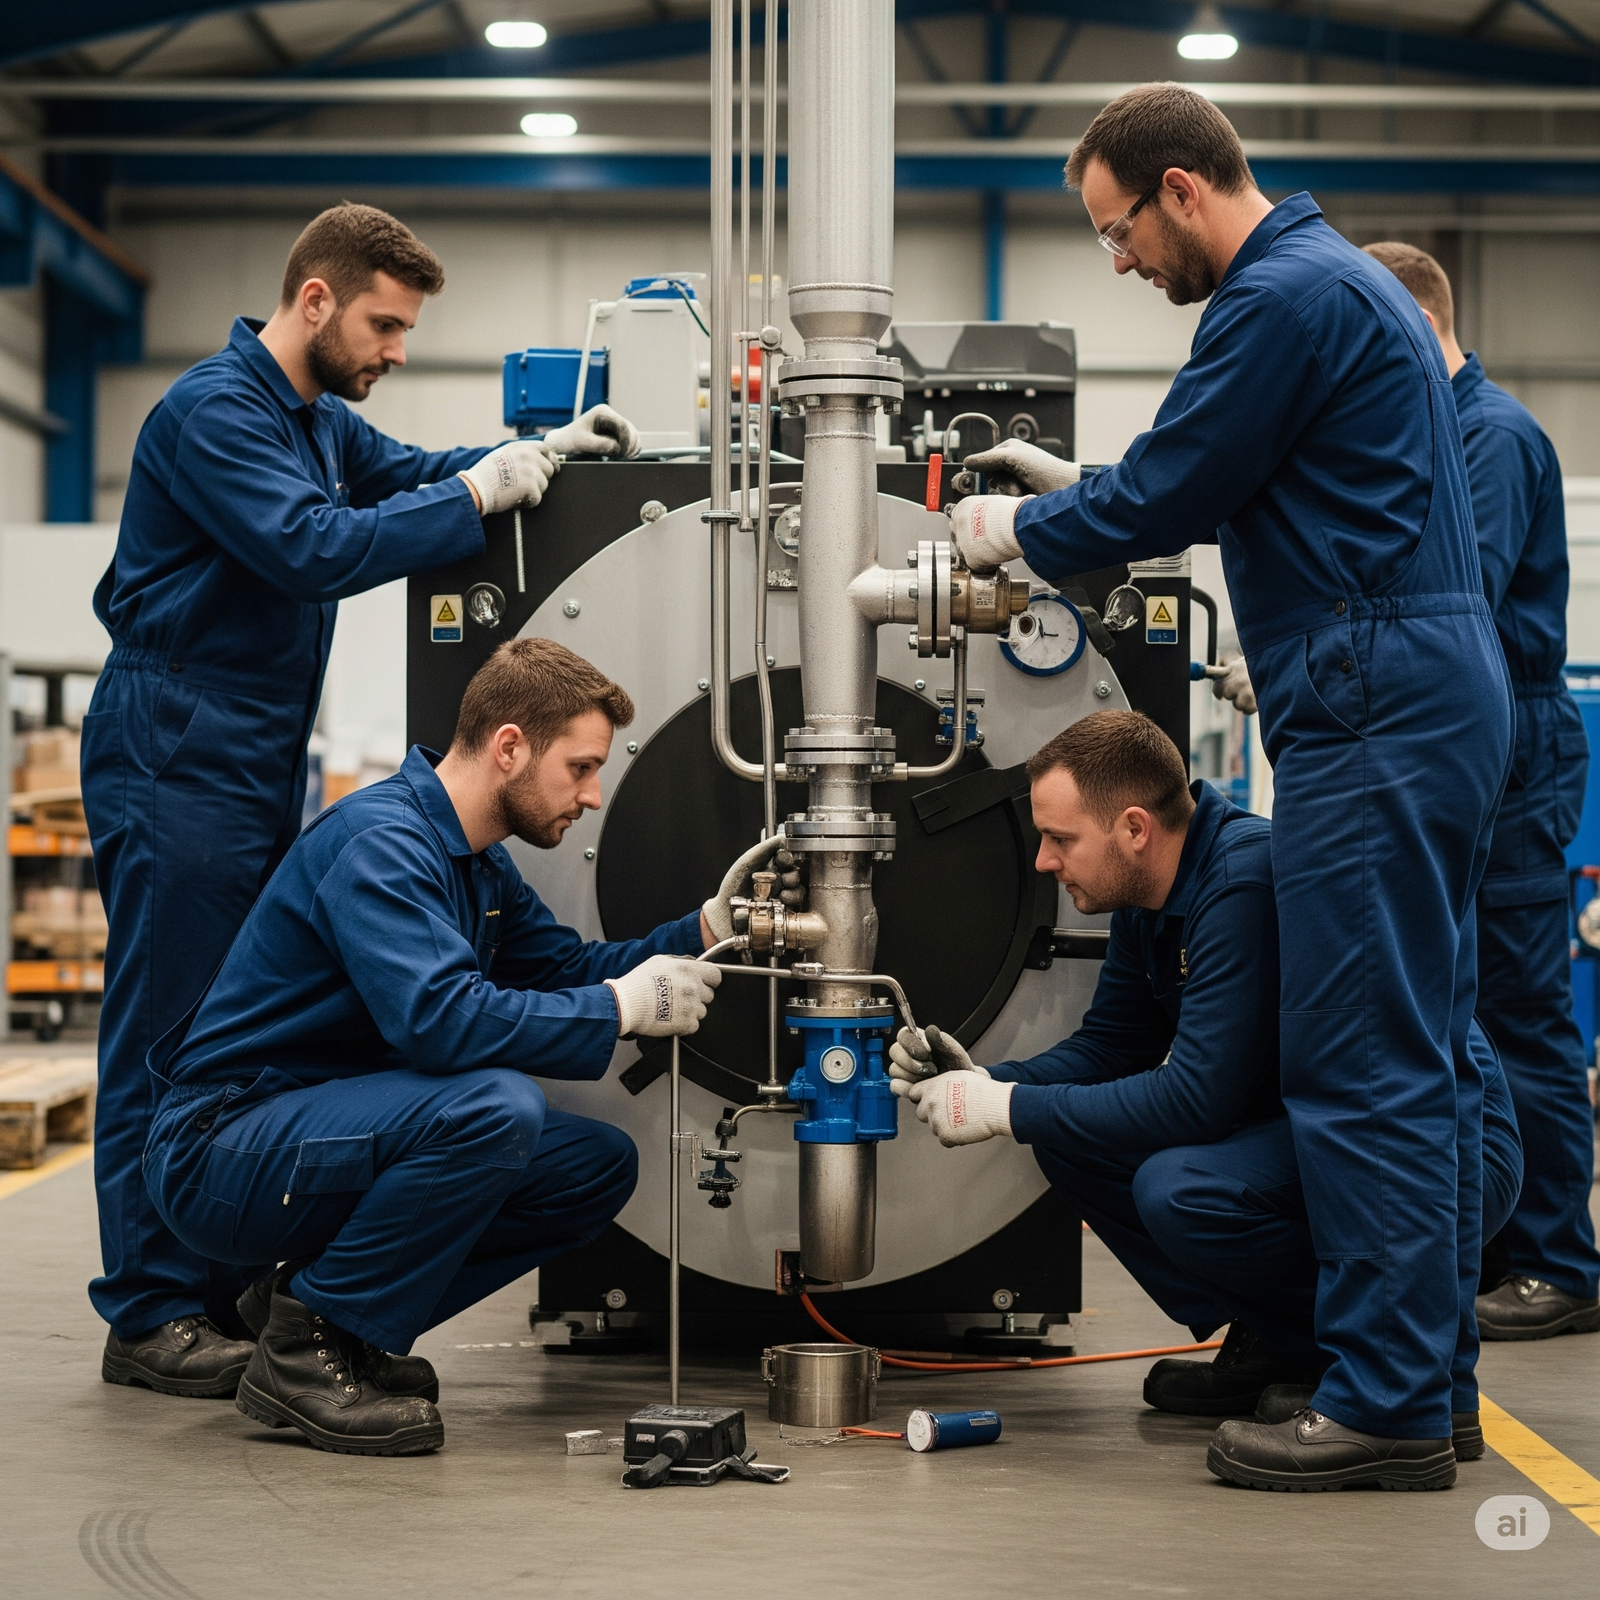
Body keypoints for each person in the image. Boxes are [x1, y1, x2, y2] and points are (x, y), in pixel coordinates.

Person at [951, 84, 1512, 1488]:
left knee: (1360, 1067)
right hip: (1406, 687)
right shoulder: (1335, 288)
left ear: (1182, 189)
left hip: (1371, 698)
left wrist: (1009, 525)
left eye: (1119, 229)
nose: (1123, 260)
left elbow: (1169, 496)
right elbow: (1213, 474)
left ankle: (1379, 1404)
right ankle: (1424, 1383)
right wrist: (1083, 480)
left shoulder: (1274, 300)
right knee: (1416, 1054)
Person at [88, 203, 643, 1399]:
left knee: (214, 1022)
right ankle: (145, 1311)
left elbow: (421, 476)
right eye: (386, 326)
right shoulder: (215, 412)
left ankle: (228, 1288)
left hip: (243, 751)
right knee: (163, 1029)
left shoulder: (318, 424)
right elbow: (312, 548)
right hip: (177, 744)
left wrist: (548, 454)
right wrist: (478, 496)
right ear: (318, 300)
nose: (396, 352)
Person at [140, 637, 778, 1456]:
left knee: (592, 1165)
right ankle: (305, 1351)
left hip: (315, 1138)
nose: (591, 795)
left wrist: (704, 933)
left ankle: (328, 1314)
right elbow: (439, 1021)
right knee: (496, 1105)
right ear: (510, 747)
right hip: (221, 1149)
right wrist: (622, 1007)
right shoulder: (383, 843)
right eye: (579, 768)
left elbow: (567, 971)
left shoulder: (476, 865)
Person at [893, 712, 1524, 1487]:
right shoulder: (1147, 896)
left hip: (1438, 1150)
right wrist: (993, 1083)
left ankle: (1350, 1352)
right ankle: (1281, 1340)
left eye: (1061, 838)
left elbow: (1196, 1101)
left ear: (1132, 828)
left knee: (1181, 1191)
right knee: (1067, 1134)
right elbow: (1110, 1049)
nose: (1044, 860)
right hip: (1318, 1131)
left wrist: (1006, 1110)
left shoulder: (1242, 886)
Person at [1360, 243, 1598, 1342]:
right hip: (1465, 735)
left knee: (1521, 1010)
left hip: (1509, 740)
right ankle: (1505, 1238)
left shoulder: (1488, 438)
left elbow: (1459, 599)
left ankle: (1559, 1260)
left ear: (1412, 320)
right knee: (1464, 1011)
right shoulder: (1436, 434)